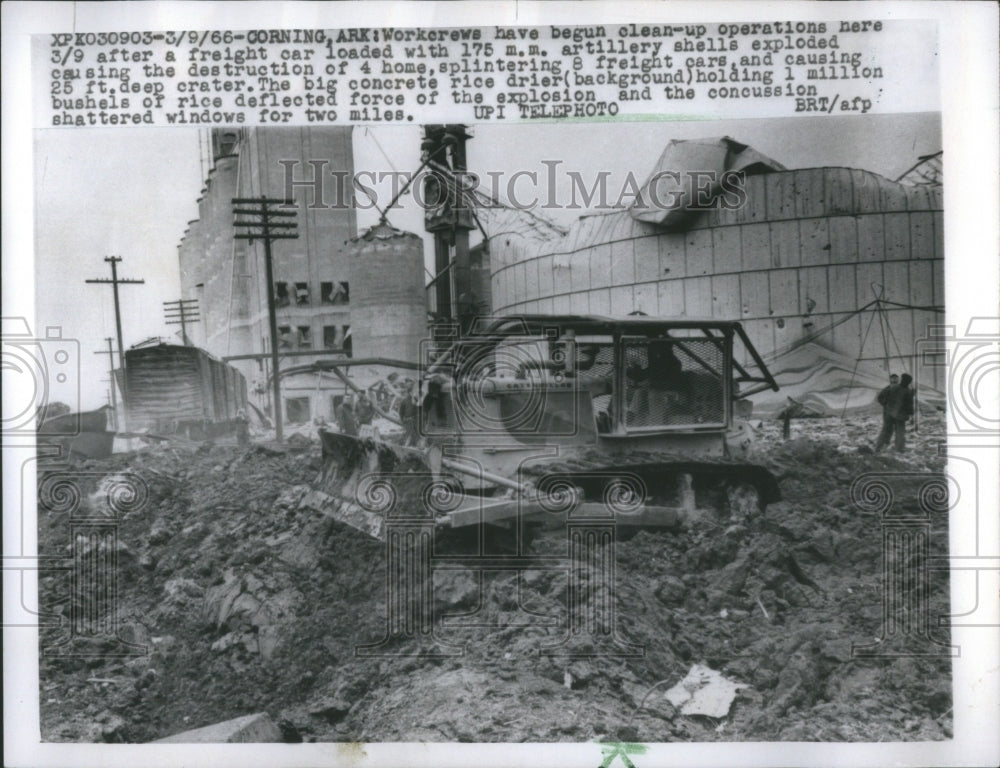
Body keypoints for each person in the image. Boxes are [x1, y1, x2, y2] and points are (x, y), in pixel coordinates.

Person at [875, 373, 914, 452]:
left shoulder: (892, 388)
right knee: (900, 433)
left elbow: (881, 398)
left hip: (889, 414)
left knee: (886, 431)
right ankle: (899, 449)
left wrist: (886, 405)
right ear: (909, 382)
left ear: (901, 380)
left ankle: (879, 447)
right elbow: (909, 406)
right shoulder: (908, 391)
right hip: (900, 416)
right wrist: (910, 414)